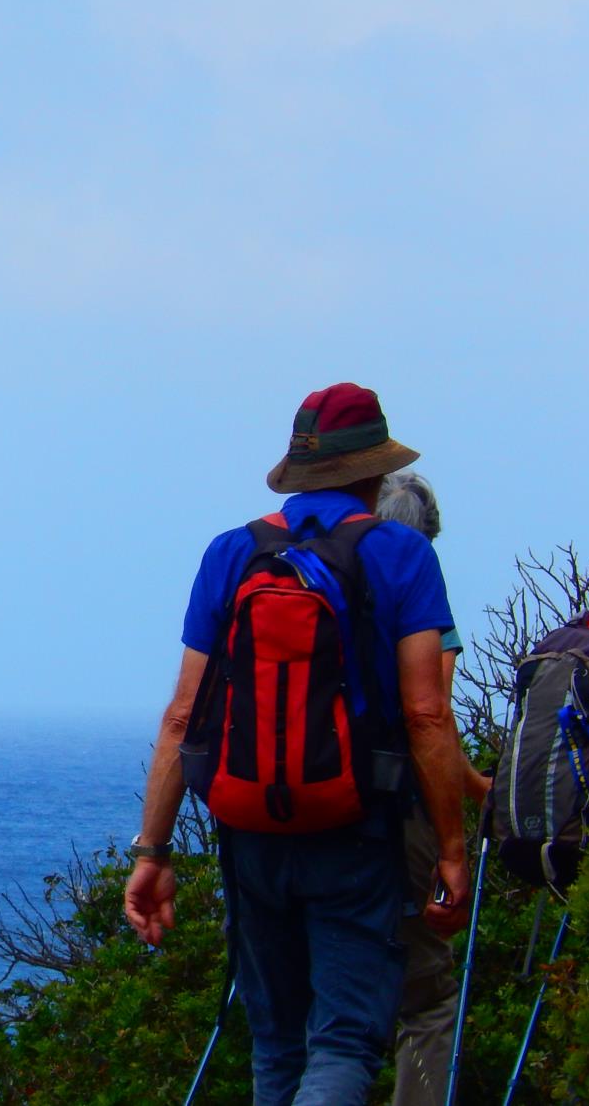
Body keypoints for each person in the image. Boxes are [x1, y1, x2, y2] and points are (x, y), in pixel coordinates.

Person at [124, 383, 472, 1105]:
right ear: (375, 471)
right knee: (343, 1042)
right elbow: (426, 714)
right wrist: (451, 847)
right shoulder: (401, 553)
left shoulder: (232, 552)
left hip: (250, 835)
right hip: (354, 834)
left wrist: (152, 851)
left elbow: (182, 717)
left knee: (277, 1043)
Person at [376, 471, 489, 1106]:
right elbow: (430, 718)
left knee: (326, 996)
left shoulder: (320, 577)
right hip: (405, 812)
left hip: (306, 816)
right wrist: (464, 817)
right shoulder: (419, 585)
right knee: (427, 999)